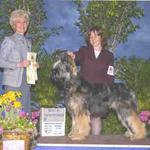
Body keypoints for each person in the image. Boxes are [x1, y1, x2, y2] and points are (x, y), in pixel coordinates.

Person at [68, 27, 114, 135]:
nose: (93, 38)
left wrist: (107, 91)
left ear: (102, 37)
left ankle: (95, 143)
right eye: (90, 36)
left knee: (96, 118)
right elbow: (76, 56)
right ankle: (79, 140)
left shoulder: (109, 55)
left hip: (99, 91)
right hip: (83, 91)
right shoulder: (84, 50)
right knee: (80, 116)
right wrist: (72, 56)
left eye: (96, 35)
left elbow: (110, 74)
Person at [0, 9, 38, 114]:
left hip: (26, 81)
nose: (22, 24)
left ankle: (25, 131)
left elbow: (28, 61)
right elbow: (1, 61)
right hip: (13, 83)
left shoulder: (28, 43)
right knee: (12, 113)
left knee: (24, 112)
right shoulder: (9, 40)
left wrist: (33, 65)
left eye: (24, 22)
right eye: (19, 22)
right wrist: (18, 64)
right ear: (14, 24)